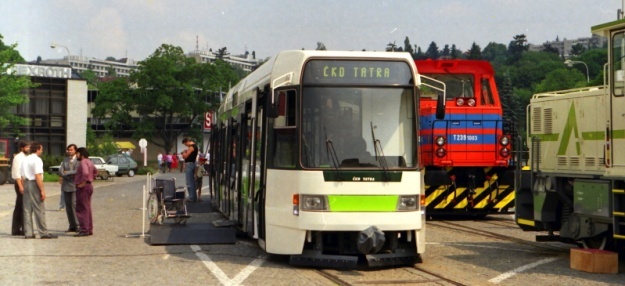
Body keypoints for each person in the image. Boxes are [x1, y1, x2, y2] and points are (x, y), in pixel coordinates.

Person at [21, 142, 57, 239]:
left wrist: (24, 187)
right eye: (41, 149)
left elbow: (22, 176)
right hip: (34, 183)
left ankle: (28, 233)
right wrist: (42, 190)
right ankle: (43, 232)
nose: (42, 151)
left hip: (26, 183)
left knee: (27, 209)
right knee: (39, 208)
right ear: (37, 149)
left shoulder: (25, 159)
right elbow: (37, 176)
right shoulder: (37, 160)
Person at [74, 147, 98, 237]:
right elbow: (95, 171)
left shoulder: (83, 162)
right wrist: (91, 179)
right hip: (89, 186)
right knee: (87, 208)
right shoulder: (90, 162)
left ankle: (84, 229)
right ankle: (89, 228)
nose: (76, 155)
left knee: (81, 208)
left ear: (81, 154)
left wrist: (83, 182)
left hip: (83, 187)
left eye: (77, 153)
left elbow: (85, 173)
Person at [59, 144, 80, 233]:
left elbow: (77, 171)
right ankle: (71, 225)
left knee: (73, 205)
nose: (69, 151)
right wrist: (67, 174)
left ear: (75, 150)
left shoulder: (78, 160)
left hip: (74, 185)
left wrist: (67, 172)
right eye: (68, 150)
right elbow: (60, 170)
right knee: (68, 206)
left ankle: (77, 224)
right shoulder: (65, 159)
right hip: (66, 184)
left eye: (71, 150)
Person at [11, 141, 29, 236]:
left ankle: (19, 228)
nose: (28, 149)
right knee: (20, 206)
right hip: (19, 183)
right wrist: (21, 186)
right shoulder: (18, 158)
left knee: (21, 206)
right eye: (27, 147)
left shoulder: (26, 157)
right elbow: (16, 173)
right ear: (22, 148)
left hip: (25, 182)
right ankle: (17, 229)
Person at [182, 138, 198, 202]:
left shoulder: (191, 147)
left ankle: (191, 197)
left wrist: (184, 153)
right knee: (192, 182)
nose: (186, 145)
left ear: (188, 142)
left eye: (185, 144)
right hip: (192, 163)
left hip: (189, 164)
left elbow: (185, 156)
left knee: (189, 182)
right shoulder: (195, 146)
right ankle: (194, 197)